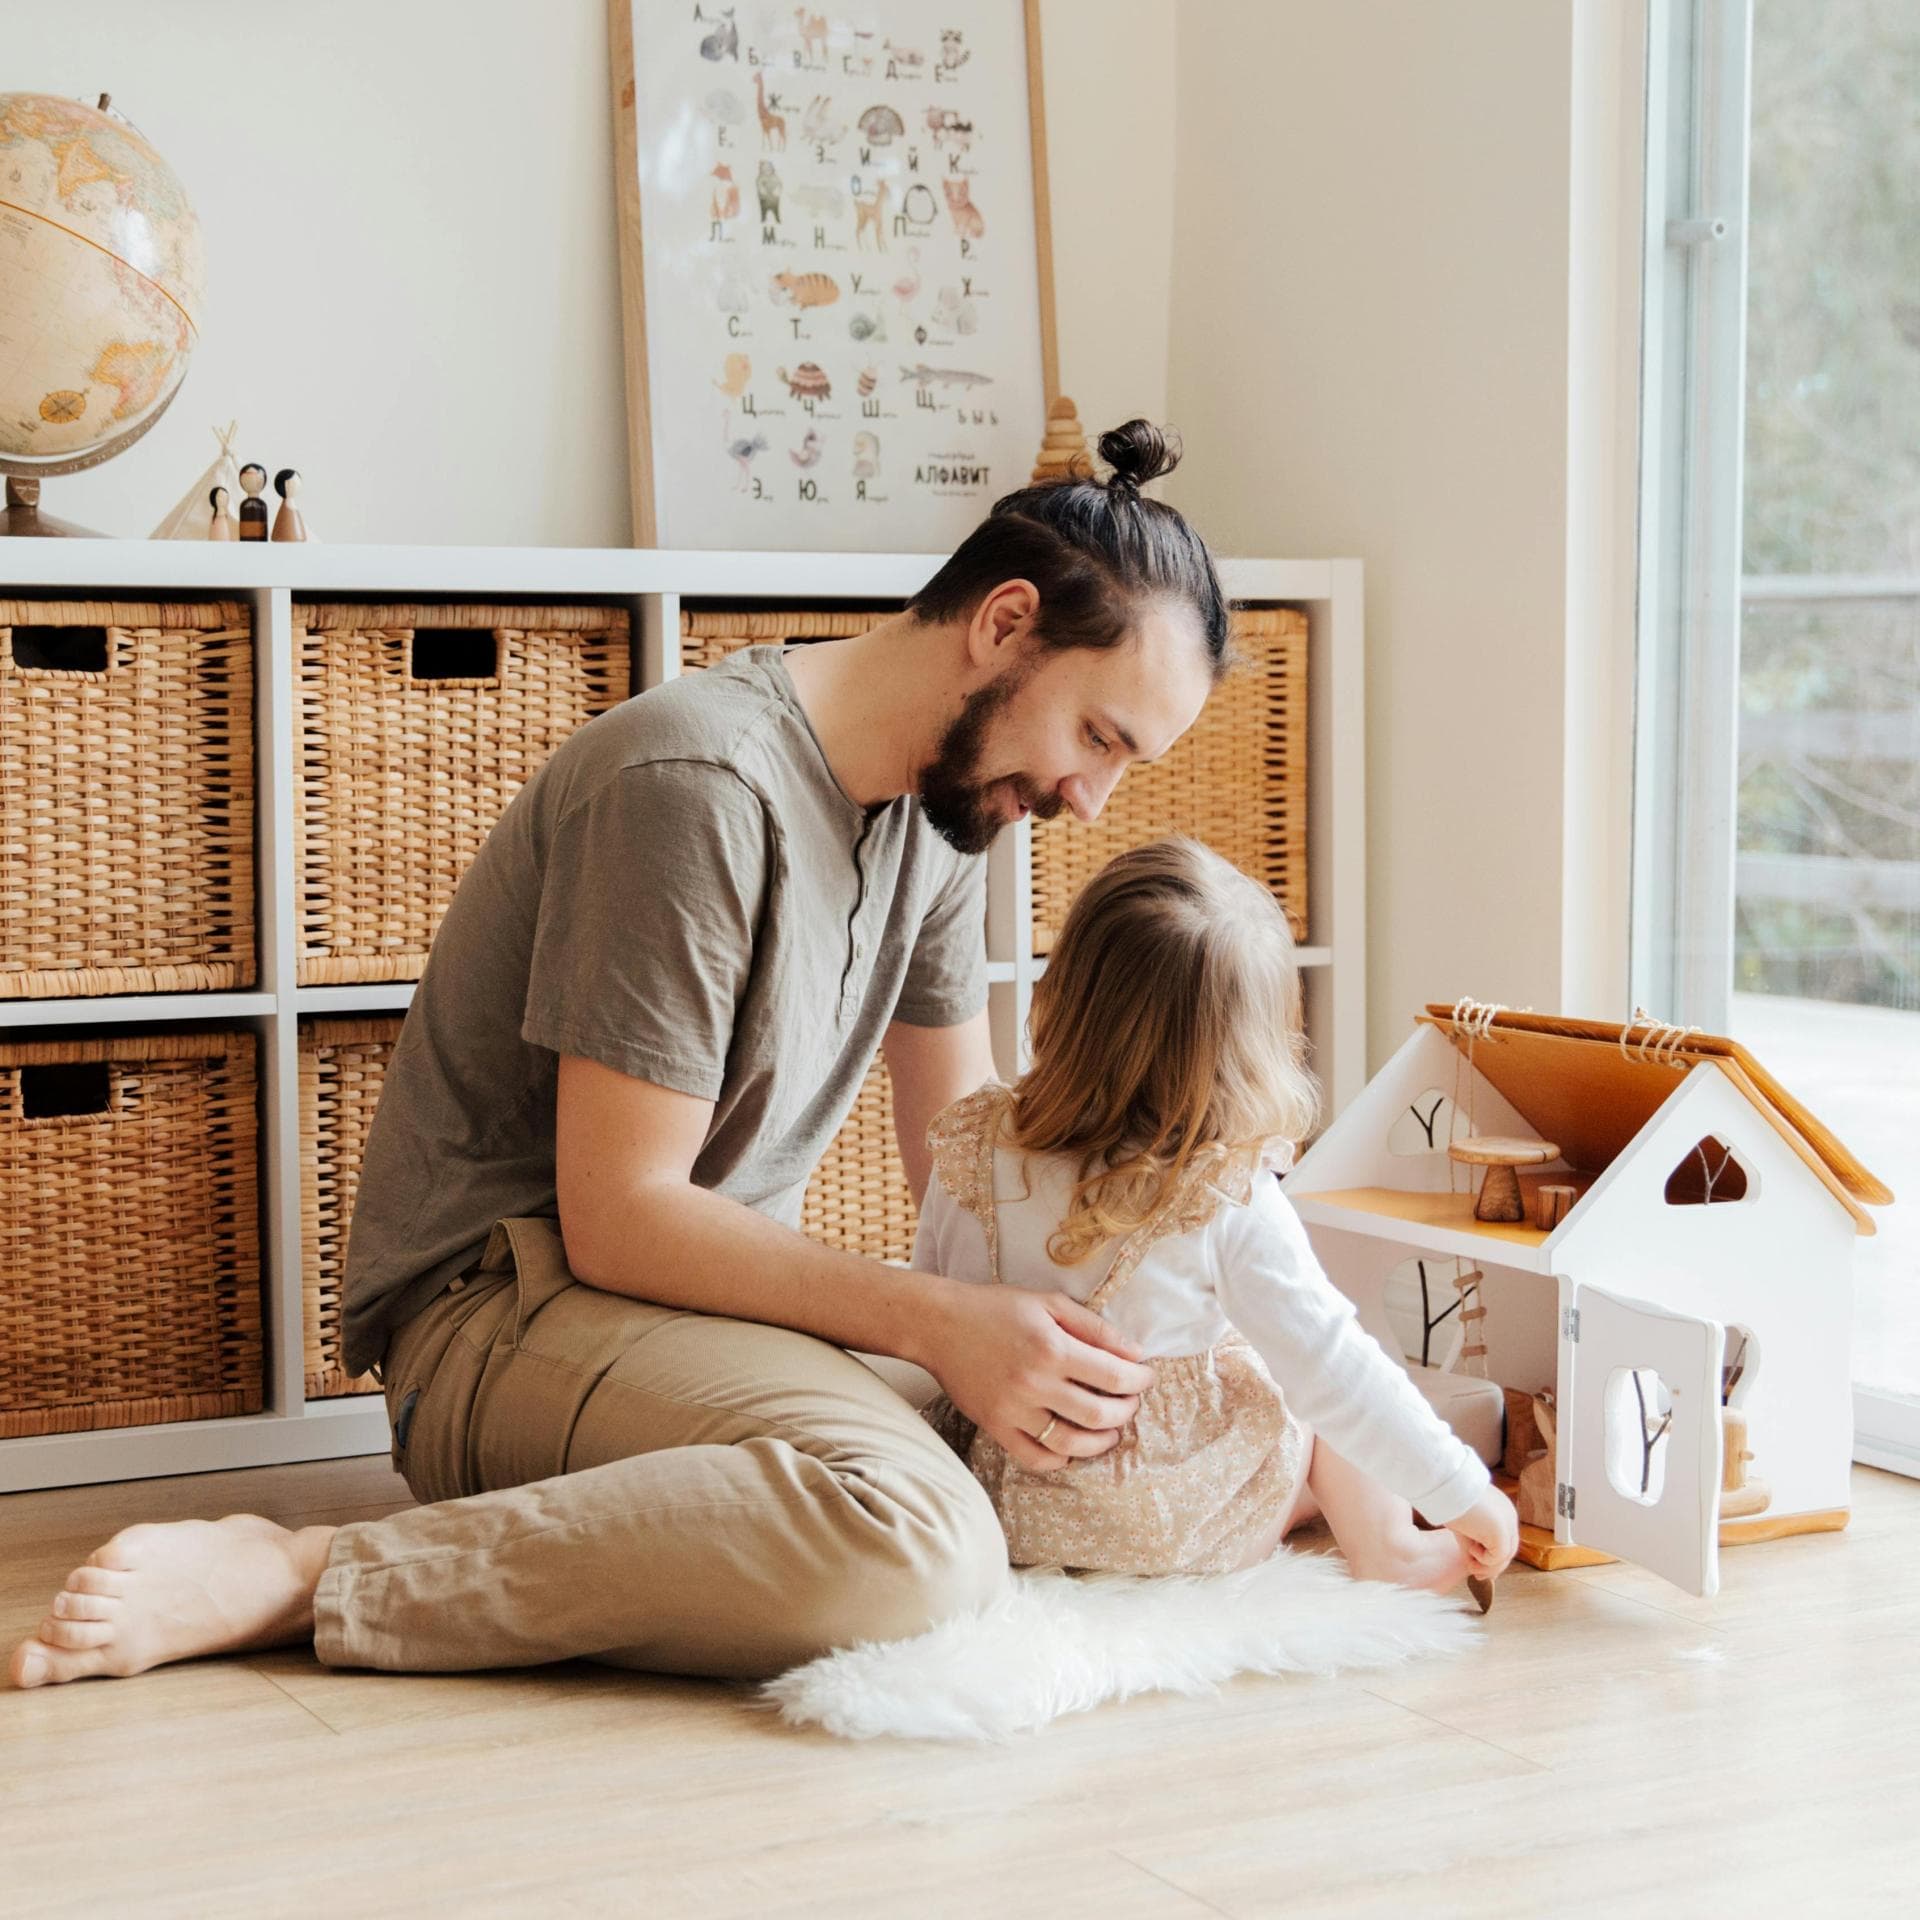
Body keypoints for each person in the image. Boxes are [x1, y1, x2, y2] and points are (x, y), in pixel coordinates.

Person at [10, 420, 1235, 1691]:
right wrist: (946, 1328)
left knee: (1079, 1427)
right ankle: (317, 1573)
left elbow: (966, 1161)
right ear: (1006, 624)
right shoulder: (697, 786)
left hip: (696, 1318)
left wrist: (1156, 1298)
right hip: (504, 1313)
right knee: (923, 1544)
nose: (1091, 800)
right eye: (1099, 739)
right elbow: (620, 1216)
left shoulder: (941, 813)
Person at [913, 837, 1519, 1603]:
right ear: (1252, 1053)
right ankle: (1390, 1546)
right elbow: (1338, 1371)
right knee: (1311, 1376)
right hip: (1169, 1524)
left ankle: (1307, 1508)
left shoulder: (972, 1144)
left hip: (1007, 1499)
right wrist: (1467, 1492)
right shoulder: (1224, 1194)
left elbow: (932, 1301)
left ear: (1060, 994)